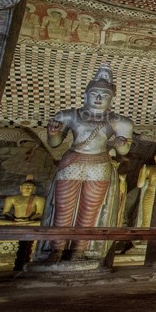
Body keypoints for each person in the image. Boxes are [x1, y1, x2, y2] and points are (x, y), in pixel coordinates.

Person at [44, 63, 135, 255]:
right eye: (95, 94)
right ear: (86, 95)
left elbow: (125, 151)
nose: (99, 98)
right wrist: (53, 133)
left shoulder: (120, 121)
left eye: (104, 95)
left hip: (99, 164)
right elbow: (54, 143)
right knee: (62, 208)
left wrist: (120, 144)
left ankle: (80, 250)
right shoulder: (69, 115)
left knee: (90, 210)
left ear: (112, 98)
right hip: (72, 161)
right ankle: (56, 250)